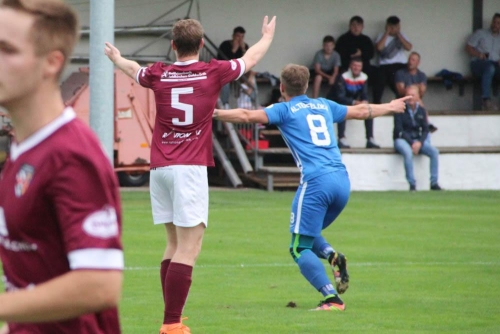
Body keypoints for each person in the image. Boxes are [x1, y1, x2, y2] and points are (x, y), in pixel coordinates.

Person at [105, 15, 276, 334]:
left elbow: (132, 69)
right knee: (189, 247)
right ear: (200, 44)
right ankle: (171, 323)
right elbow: (250, 58)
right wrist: (266, 36)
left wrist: (116, 57)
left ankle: (172, 316)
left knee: (172, 243)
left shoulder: (158, 72)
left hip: (160, 168)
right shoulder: (214, 71)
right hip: (189, 168)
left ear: (172, 46)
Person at [213, 64, 408, 311]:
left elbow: (247, 116)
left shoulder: (283, 109)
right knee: (308, 231)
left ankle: (332, 299)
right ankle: (332, 257)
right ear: (306, 86)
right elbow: (360, 111)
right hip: (341, 180)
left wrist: (215, 113)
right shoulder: (324, 105)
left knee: (297, 247)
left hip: (316, 182)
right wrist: (390, 106)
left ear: (282, 87)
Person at [0, 0, 123, 333]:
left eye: (6, 50)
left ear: (51, 63)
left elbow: (100, 284)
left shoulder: (70, 155)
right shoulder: (24, 147)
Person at [393, 85, 442, 191]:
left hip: (417, 140)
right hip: (402, 139)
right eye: (408, 95)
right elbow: (399, 130)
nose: (410, 97)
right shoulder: (399, 109)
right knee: (407, 152)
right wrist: (412, 143)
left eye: (413, 95)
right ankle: (412, 184)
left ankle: (434, 183)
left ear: (418, 97)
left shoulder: (421, 110)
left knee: (434, 152)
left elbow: (425, 129)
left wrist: (419, 143)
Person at [327, 57, 380, 149]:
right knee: (342, 109)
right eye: (354, 65)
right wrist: (355, 102)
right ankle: (341, 139)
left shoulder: (364, 77)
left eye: (359, 66)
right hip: (336, 102)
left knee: (368, 109)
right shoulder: (343, 76)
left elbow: (364, 94)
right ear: (350, 66)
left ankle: (370, 139)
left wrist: (364, 101)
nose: (356, 68)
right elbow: (340, 97)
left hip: (351, 102)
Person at [395, 52, 437, 134]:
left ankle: (426, 126)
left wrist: (410, 89)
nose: (410, 62)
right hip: (402, 101)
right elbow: (401, 92)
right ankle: (428, 123)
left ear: (418, 62)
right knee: (416, 99)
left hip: (415, 102)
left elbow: (421, 93)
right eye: (409, 59)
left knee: (417, 99)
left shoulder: (422, 75)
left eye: (413, 60)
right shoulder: (400, 73)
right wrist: (415, 88)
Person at [465, 13, 500, 111]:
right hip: (478, 63)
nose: (495, 25)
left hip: (494, 64)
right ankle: (486, 100)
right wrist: (478, 54)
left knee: (492, 67)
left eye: (498, 23)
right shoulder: (480, 33)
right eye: (494, 22)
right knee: (489, 68)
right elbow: (468, 47)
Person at [373, 16, 412, 104]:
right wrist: (387, 32)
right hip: (385, 66)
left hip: (400, 65)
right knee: (379, 80)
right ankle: (377, 103)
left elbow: (409, 47)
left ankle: (403, 101)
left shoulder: (402, 35)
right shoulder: (381, 35)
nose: (394, 28)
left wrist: (398, 34)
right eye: (391, 26)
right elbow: (379, 48)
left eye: (396, 26)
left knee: (399, 81)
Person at [217, 26, 250, 108]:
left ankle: (250, 103)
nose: (240, 39)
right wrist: (233, 50)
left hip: (240, 72)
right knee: (225, 80)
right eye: (238, 36)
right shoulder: (225, 44)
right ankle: (225, 104)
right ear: (233, 36)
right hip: (226, 71)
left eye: (242, 37)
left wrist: (243, 50)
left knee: (252, 78)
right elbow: (223, 61)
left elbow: (247, 60)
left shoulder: (245, 46)